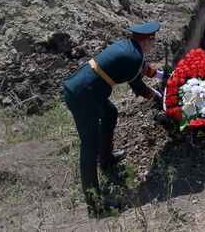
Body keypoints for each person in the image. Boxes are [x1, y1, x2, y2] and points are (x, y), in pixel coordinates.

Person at [63, 21, 164, 215]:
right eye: (153, 41)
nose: (154, 45)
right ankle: (95, 201)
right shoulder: (133, 55)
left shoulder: (128, 46)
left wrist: (162, 75)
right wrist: (158, 96)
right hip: (83, 95)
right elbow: (140, 88)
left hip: (89, 89)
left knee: (110, 113)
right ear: (146, 41)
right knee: (89, 145)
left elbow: (142, 67)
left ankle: (107, 158)